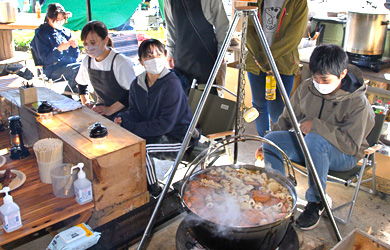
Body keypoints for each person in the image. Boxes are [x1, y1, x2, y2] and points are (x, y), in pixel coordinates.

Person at [262, 44, 375, 230]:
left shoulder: (357, 103)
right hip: (310, 146)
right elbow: (287, 117)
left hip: (344, 155)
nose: (319, 83)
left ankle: (316, 202)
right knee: (273, 139)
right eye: (315, 78)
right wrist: (266, 142)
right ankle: (278, 196)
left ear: (343, 74)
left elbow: (351, 146)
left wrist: (317, 127)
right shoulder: (308, 88)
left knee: (315, 140)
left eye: (325, 79)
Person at [114, 39, 195, 197]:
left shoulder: (172, 84)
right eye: (149, 56)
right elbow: (135, 112)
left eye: (159, 54)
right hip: (156, 133)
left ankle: (155, 193)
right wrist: (122, 118)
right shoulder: (137, 84)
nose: (155, 59)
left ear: (165, 56)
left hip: (180, 137)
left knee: (143, 150)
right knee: (127, 145)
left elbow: (165, 125)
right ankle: (136, 186)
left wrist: (131, 127)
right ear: (141, 62)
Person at [246, 0, 308, 138]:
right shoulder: (254, 1)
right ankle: (264, 144)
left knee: (278, 109)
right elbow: (248, 28)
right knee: (259, 106)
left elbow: (294, 37)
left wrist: (267, 58)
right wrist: (260, 57)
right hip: (256, 61)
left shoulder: (298, 2)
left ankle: (278, 145)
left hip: (282, 63)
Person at [75, 21, 136, 120]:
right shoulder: (88, 60)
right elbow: (81, 84)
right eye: (85, 43)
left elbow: (133, 92)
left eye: (93, 42)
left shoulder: (120, 62)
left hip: (125, 113)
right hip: (102, 110)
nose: (88, 47)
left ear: (105, 40)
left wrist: (110, 109)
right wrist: (85, 103)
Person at [164, 0, 229, 86]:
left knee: (207, 94)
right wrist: (170, 52)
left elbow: (222, 25)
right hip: (181, 57)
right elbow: (170, 27)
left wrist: (221, 52)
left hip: (206, 56)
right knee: (183, 92)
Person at [30, 3, 80, 92]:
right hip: (52, 70)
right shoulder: (42, 34)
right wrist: (59, 50)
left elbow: (75, 57)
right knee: (80, 69)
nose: (60, 22)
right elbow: (45, 61)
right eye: (57, 19)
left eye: (62, 19)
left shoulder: (66, 32)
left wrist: (75, 47)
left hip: (69, 65)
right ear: (49, 18)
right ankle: (69, 92)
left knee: (89, 63)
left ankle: (77, 91)